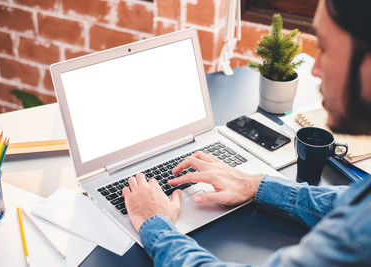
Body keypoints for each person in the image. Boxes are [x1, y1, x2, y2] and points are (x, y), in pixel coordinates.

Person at [122, 0, 371, 266]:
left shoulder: (356, 239)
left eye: (325, 48)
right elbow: (350, 202)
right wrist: (256, 185)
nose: (314, 68)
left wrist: (155, 226)